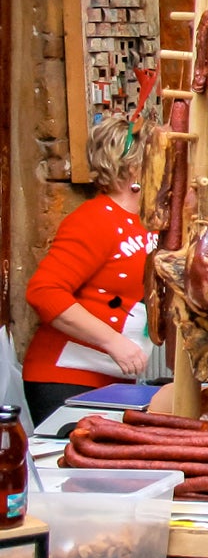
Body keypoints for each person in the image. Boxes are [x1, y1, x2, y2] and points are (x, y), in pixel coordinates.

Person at [24, 119, 155, 422]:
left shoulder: (148, 220)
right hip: (68, 378)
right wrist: (112, 341)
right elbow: (44, 292)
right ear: (134, 168)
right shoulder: (93, 220)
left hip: (116, 378)